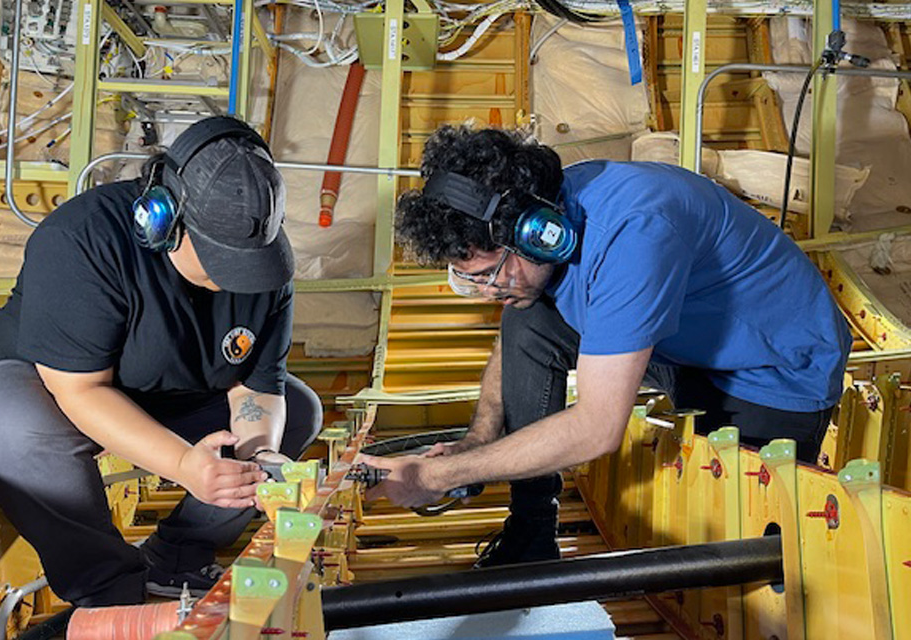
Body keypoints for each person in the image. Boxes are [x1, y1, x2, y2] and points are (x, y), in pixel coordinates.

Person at [362, 125, 851, 568]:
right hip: (688, 343)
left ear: (540, 234)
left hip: (773, 372)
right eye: (472, 282)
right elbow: (520, 327)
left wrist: (434, 478)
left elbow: (597, 429)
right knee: (528, 317)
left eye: (490, 275)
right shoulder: (550, 209)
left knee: (735, 560)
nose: (489, 292)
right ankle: (533, 530)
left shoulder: (634, 234)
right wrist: (477, 442)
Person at [0, 116, 322, 606]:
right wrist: (183, 464)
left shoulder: (265, 270)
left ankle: (178, 555)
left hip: (175, 391)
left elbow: (257, 388)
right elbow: (80, 390)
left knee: (299, 409)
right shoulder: (82, 239)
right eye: (221, 259)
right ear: (162, 221)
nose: (237, 279)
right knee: (9, 426)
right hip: (57, 387)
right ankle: (111, 590)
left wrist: (258, 458)